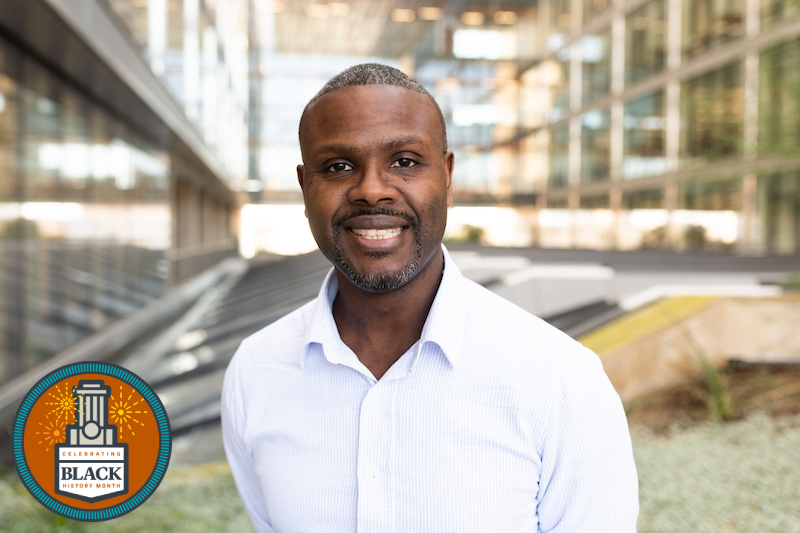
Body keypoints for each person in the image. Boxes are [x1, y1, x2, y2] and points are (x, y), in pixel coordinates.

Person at [222, 63, 639, 533]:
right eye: (339, 166)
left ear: (447, 176)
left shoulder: (561, 379)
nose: (372, 191)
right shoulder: (255, 371)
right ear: (305, 188)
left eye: (404, 161)